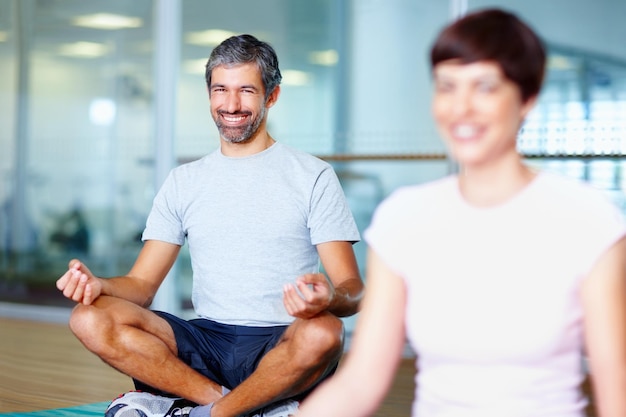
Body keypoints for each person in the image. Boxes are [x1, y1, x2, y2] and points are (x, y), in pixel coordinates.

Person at [297, 8, 626, 417]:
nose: (461, 107)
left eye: (485, 87)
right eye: (447, 87)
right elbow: (362, 380)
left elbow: (618, 395)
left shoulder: (587, 220)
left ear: (527, 98)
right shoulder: (404, 219)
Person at [56, 34, 363, 417]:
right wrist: (98, 285)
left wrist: (327, 299)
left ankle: (203, 413)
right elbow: (141, 287)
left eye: (246, 90)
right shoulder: (184, 181)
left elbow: (353, 292)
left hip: (282, 340)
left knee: (326, 331)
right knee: (89, 317)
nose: (231, 105)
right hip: (206, 339)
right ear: (209, 94)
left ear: (272, 96)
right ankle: (237, 404)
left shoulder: (313, 175)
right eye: (220, 89)